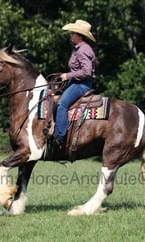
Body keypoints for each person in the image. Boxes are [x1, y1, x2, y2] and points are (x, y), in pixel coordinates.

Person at [52, 19, 97, 147]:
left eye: (73, 33)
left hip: (82, 84)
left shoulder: (83, 50)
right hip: (75, 82)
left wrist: (67, 75)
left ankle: (59, 137)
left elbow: (86, 72)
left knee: (62, 104)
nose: (71, 35)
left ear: (79, 35)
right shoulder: (78, 48)